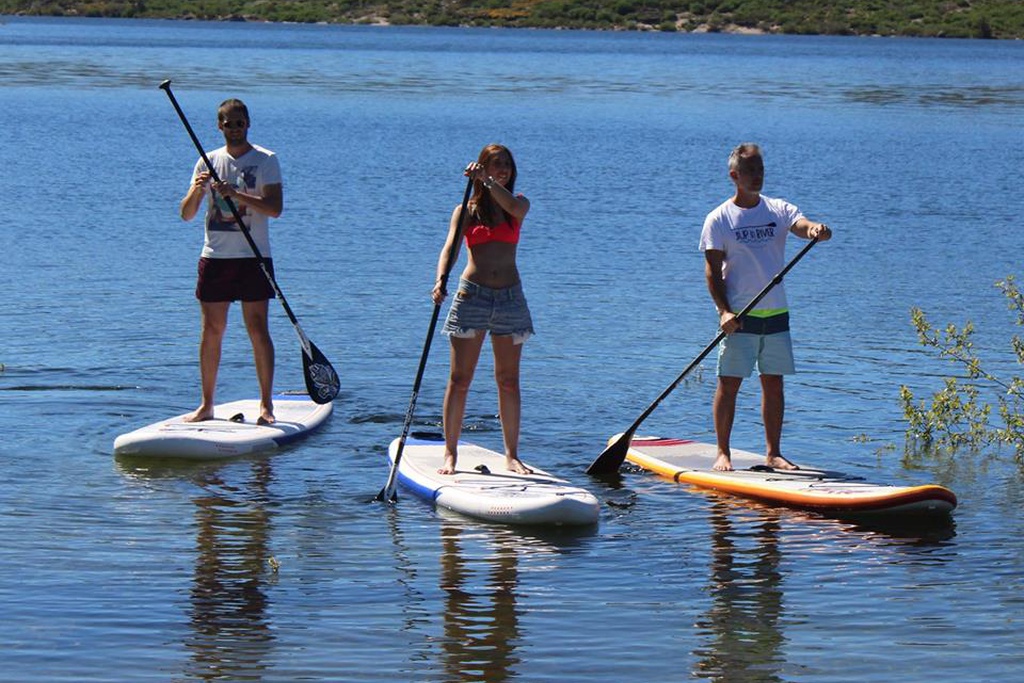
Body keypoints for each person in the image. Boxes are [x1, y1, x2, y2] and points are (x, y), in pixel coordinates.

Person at [698, 143, 832, 472]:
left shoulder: (777, 209)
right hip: (739, 317)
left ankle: (773, 453)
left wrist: (815, 230)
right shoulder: (718, 219)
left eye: (761, 170)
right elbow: (712, 273)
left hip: (775, 313)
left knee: (773, 383)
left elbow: (801, 225)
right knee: (729, 384)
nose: (757, 176)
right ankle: (722, 453)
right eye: (750, 171)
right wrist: (724, 312)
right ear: (734, 176)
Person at [178, 98, 283, 425]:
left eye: (239, 123)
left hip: (253, 257)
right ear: (219, 126)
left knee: (257, 329)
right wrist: (198, 191)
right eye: (228, 123)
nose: (234, 129)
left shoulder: (266, 160)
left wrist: (235, 194)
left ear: (247, 124)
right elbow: (186, 214)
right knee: (212, 331)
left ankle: (266, 406)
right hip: (216, 257)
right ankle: (206, 404)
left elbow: (274, 208)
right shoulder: (207, 161)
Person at [431, 144, 534, 476]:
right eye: (494, 164)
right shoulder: (466, 209)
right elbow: (450, 247)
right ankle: (450, 453)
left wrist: (489, 182)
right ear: (483, 167)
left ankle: (512, 455)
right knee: (460, 379)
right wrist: (440, 279)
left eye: (505, 164)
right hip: (471, 296)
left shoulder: (517, 203)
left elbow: (513, 208)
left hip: (509, 298)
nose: (502, 168)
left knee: (508, 380)